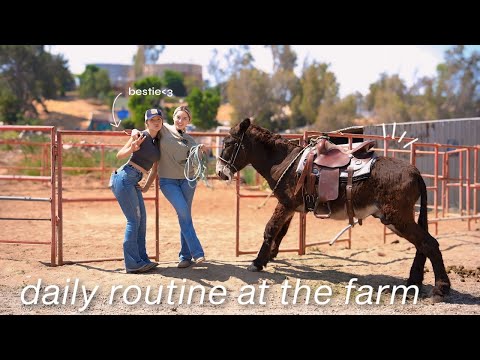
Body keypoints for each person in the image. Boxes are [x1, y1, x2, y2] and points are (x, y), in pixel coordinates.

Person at [136, 106, 206, 268]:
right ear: (173, 117)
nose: (180, 121)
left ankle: (185, 256)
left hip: (188, 181)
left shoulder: (191, 141)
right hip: (168, 181)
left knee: (184, 216)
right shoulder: (164, 129)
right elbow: (147, 127)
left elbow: (195, 164)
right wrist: (134, 131)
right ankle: (197, 252)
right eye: (178, 117)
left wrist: (200, 152)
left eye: (184, 118)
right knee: (183, 212)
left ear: (189, 121)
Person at [109, 108, 163, 273]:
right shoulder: (140, 136)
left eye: (159, 119)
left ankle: (142, 259)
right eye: (152, 119)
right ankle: (132, 264)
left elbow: (155, 170)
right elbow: (119, 155)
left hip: (134, 180)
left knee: (142, 220)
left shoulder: (157, 142)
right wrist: (132, 148)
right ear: (146, 122)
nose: (156, 122)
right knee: (134, 220)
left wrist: (146, 186)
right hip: (125, 177)